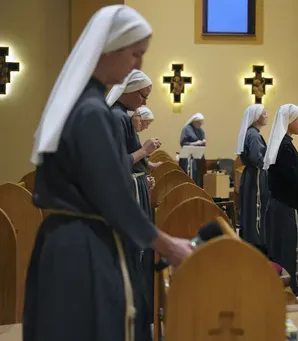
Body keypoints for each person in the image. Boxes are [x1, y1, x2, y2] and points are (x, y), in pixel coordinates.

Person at [25, 6, 194, 341]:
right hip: (85, 246)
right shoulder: (92, 111)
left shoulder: (83, 102)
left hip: (67, 240)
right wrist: (169, 245)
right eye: (135, 53)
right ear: (110, 47)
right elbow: (113, 195)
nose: (139, 65)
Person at [106, 70, 160, 333]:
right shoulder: (117, 118)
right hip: (128, 195)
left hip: (134, 189)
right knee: (134, 257)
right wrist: (145, 151)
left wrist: (143, 171)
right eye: (143, 95)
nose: (145, 102)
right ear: (127, 90)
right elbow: (117, 164)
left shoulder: (122, 117)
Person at [263, 104, 298, 296]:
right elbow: (293, 182)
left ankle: (280, 292)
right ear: (288, 121)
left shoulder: (281, 144)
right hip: (288, 207)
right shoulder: (285, 147)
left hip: (279, 204)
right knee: (290, 250)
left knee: (279, 248)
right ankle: (290, 292)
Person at [235, 104, 269, 248]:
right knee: (257, 208)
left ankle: (251, 240)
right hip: (256, 176)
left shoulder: (249, 133)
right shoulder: (254, 135)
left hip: (251, 175)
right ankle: (258, 242)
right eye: (264, 113)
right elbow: (257, 159)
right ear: (256, 117)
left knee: (250, 209)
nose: (267, 116)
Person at [179, 113, 206, 185]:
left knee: (197, 175)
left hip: (197, 157)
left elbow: (202, 141)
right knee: (189, 174)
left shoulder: (200, 130)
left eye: (201, 123)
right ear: (194, 121)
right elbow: (183, 143)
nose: (200, 124)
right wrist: (195, 143)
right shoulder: (186, 129)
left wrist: (203, 142)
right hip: (187, 157)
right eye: (199, 122)